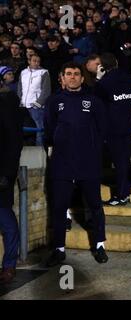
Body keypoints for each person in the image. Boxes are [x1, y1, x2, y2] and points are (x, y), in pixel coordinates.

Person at [44, 62, 108, 266]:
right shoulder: (54, 102)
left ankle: (99, 246)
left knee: (96, 206)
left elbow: (102, 130)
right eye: (68, 74)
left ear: (82, 78)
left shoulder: (94, 101)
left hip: (88, 164)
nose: (72, 77)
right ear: (62, 78)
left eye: (76, 74)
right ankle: (59, 249)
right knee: (59, 206)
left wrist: (93, 152)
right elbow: (49, 129)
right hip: (62, 164)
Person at [94, 53, 131, 206]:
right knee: (124, 157)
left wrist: (98, 80)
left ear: (103, 67)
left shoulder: (104, 82)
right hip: (128, 124)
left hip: (112, 127)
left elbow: (96, 104)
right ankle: (126, 188)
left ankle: (122, 194)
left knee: (119, 161)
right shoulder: (128, 77)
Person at [0, 79, 23, 284]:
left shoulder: (7, 104)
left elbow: (14, 143)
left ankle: (9, 265)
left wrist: (7, 174)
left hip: (1, 174)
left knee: (6, 221)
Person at [17, 54, 51, 146]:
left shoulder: (44, 72)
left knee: (39, 128)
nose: (36, 63)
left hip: (36, 107)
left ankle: (39, 149)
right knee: (21, 128)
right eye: (34, 60)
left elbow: (46, 91)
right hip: (23, 106)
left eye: (38, 61)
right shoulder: (23, 72)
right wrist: (20, 101)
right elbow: (20, 88)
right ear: (29, 61)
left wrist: (37, 104)